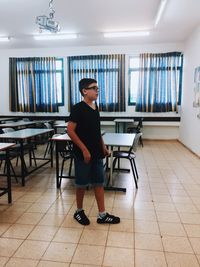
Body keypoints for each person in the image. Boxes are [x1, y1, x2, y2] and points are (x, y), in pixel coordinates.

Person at [67, 78, 120, 225]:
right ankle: (78, 211)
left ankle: (102, 214)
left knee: (98, 182)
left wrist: (102, 146)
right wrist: (84, 149)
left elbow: (96, 131)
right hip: (83, 154)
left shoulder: (95, 107)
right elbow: (70, 131)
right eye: (94, 88)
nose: (97, 91)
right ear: (84, 91)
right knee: (81, 184)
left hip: (96, 152)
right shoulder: (78, 108)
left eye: (98, 88)